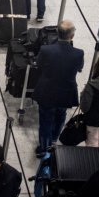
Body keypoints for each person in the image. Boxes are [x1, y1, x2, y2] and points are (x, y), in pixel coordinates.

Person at [32, 20, 84, 156]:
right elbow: (79, 68)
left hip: (47, 91)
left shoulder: (46, 50)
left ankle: (44, 148)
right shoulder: (78, 53)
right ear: (72, 36)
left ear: (57, 32)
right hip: (66, 93)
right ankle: (54, 139)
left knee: (45, 120)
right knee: (61, 115)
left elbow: (39, 64)